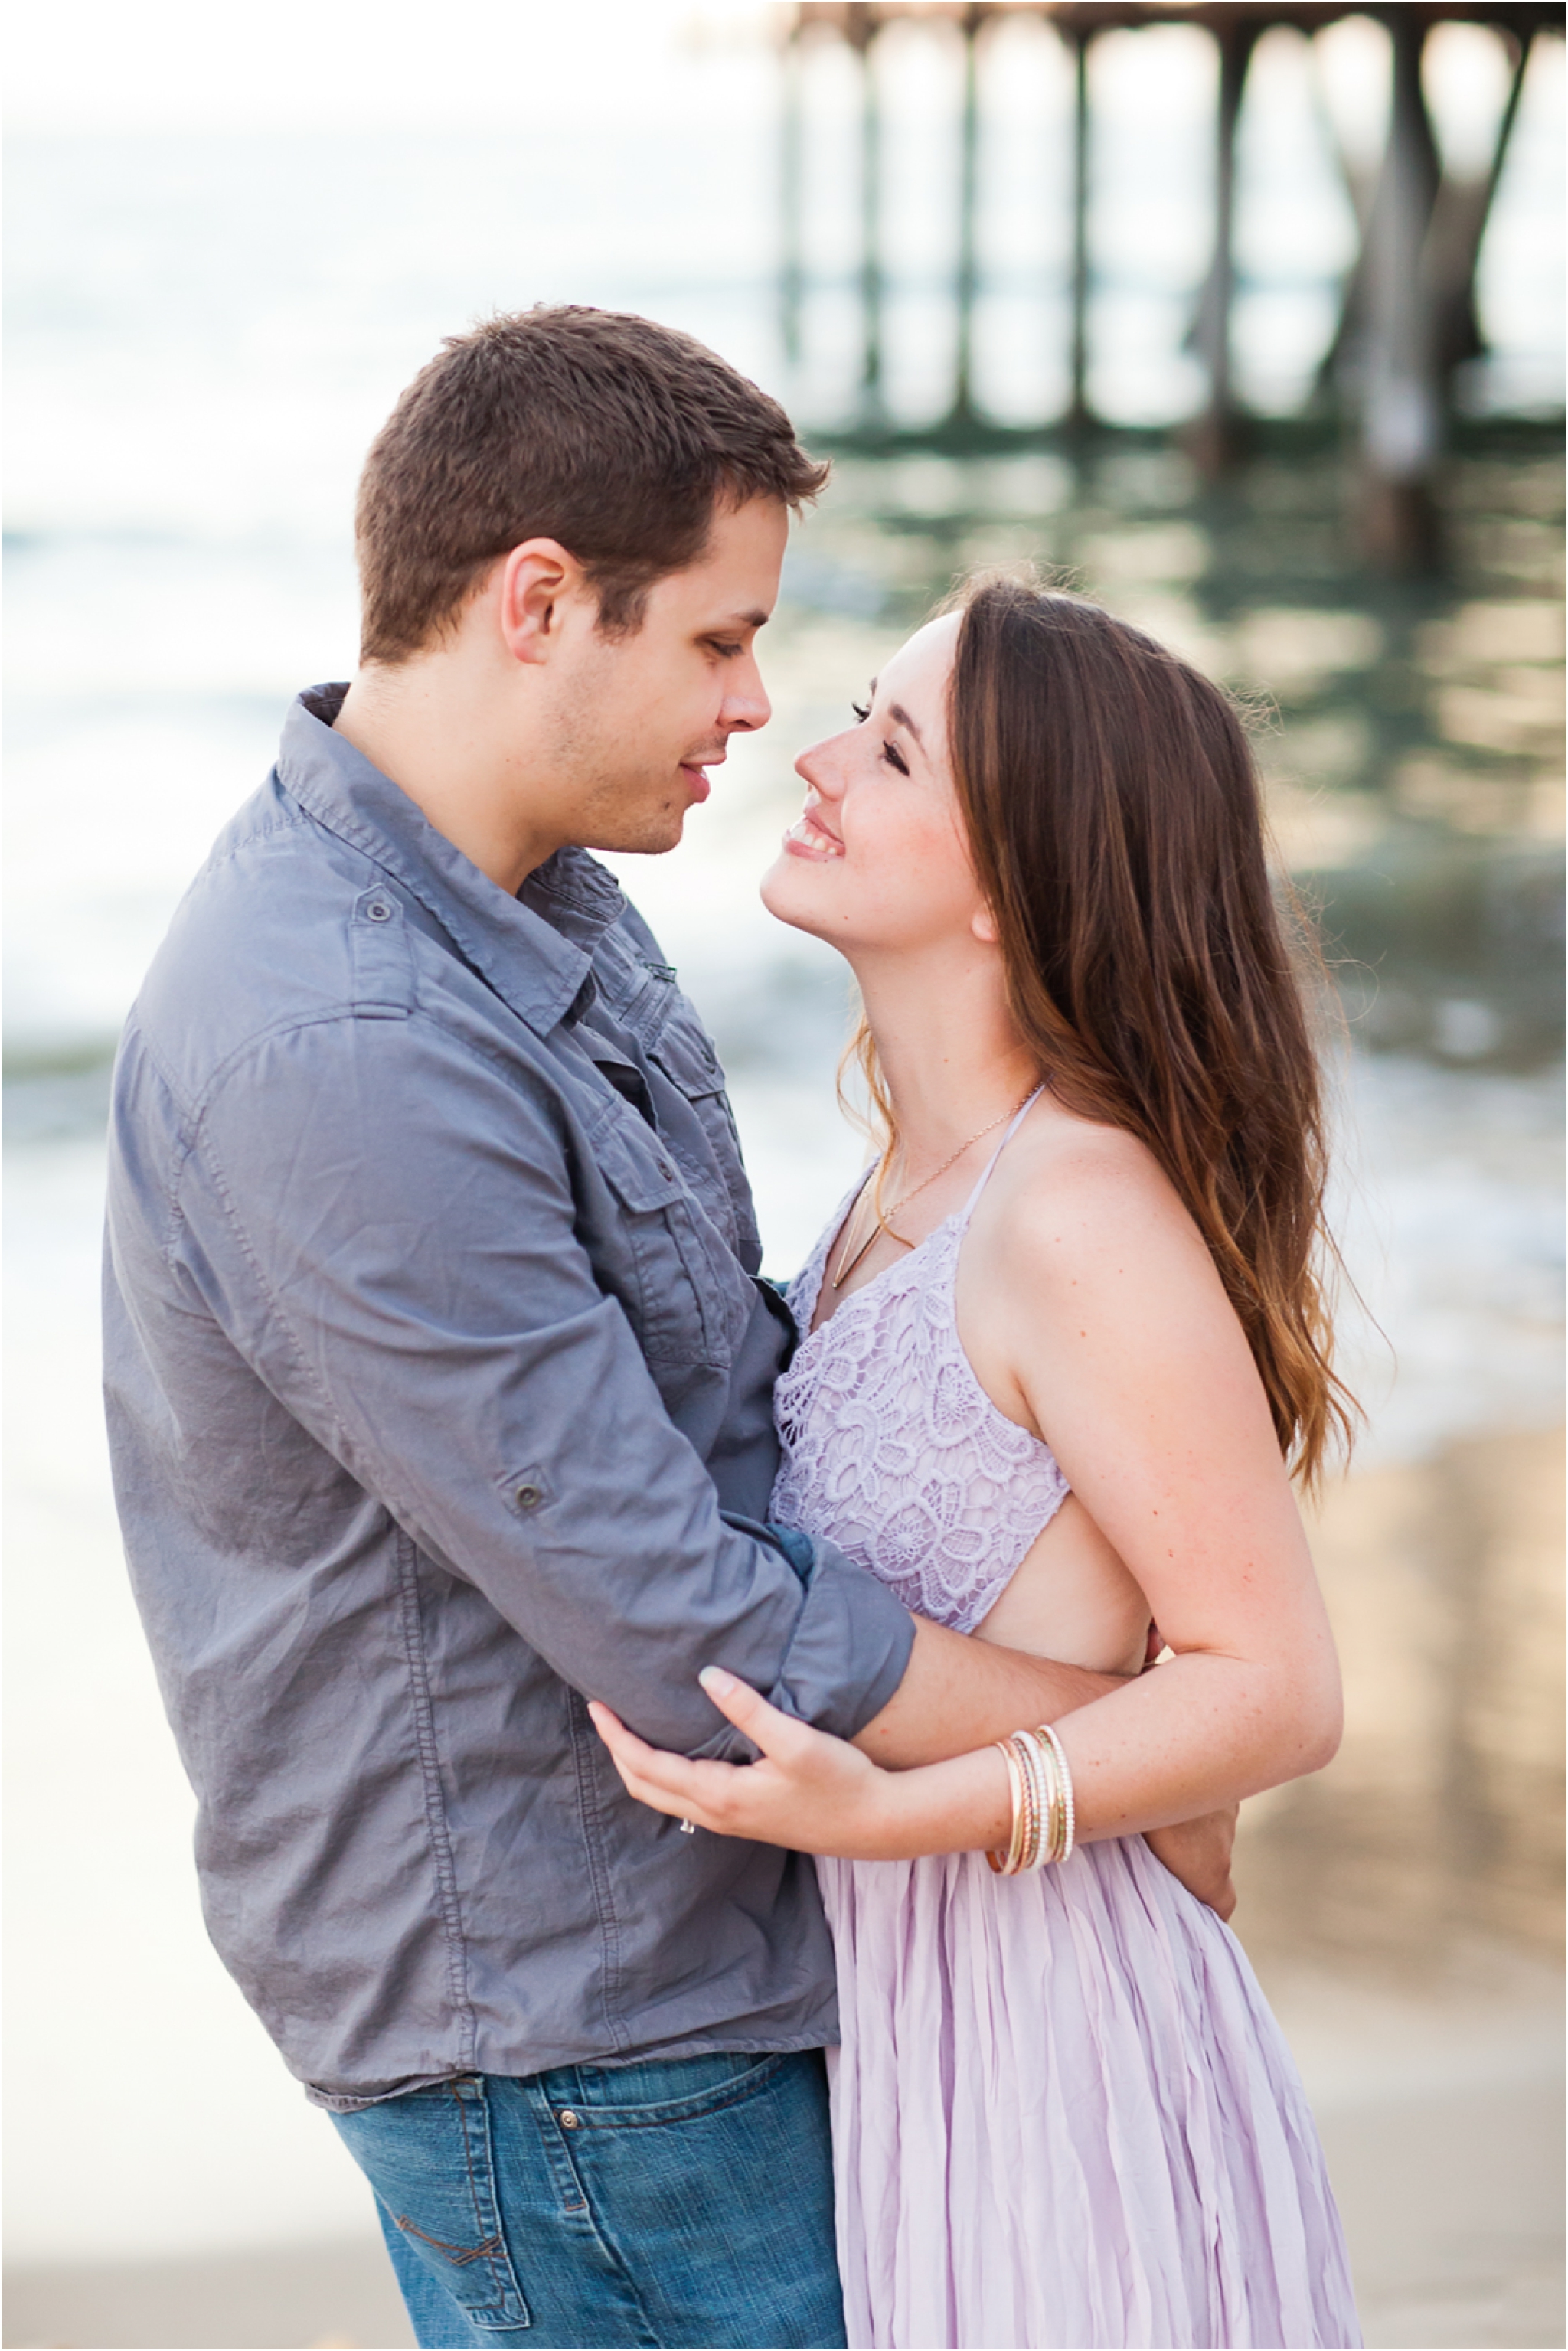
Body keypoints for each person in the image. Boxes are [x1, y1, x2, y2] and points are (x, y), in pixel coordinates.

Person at [102, 309, 1239, 2351]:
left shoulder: (531, 898)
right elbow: (671, 1611)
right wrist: (1134, 1745)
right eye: (719, 639)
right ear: (541, 602)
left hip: (697, 1974)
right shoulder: (347, 1040)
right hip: (573, 2031)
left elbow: (737, 1372)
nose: (761, 704)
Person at [592, 580, 1364, 2349]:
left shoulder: (1075, 1208)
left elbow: (1275, 1686)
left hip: (1048, 2025)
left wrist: (897, 1815)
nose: (812, 755)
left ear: (1012, 883)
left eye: (889, 745)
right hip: (915, 2013)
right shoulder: (899, 1188)